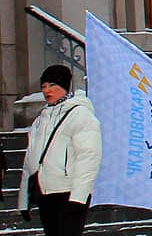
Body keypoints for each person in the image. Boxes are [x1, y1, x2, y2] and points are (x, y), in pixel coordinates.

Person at [17, 65, 100, 236]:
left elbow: (89, 157)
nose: (47, 90)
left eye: (52, 85)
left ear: (63, 86)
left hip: (68, 192)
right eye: (43, 86)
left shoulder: (79, 114)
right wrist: (23, 200)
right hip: (46, 194)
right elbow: (30, 161)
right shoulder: (41, 119)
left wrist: (79, 197)